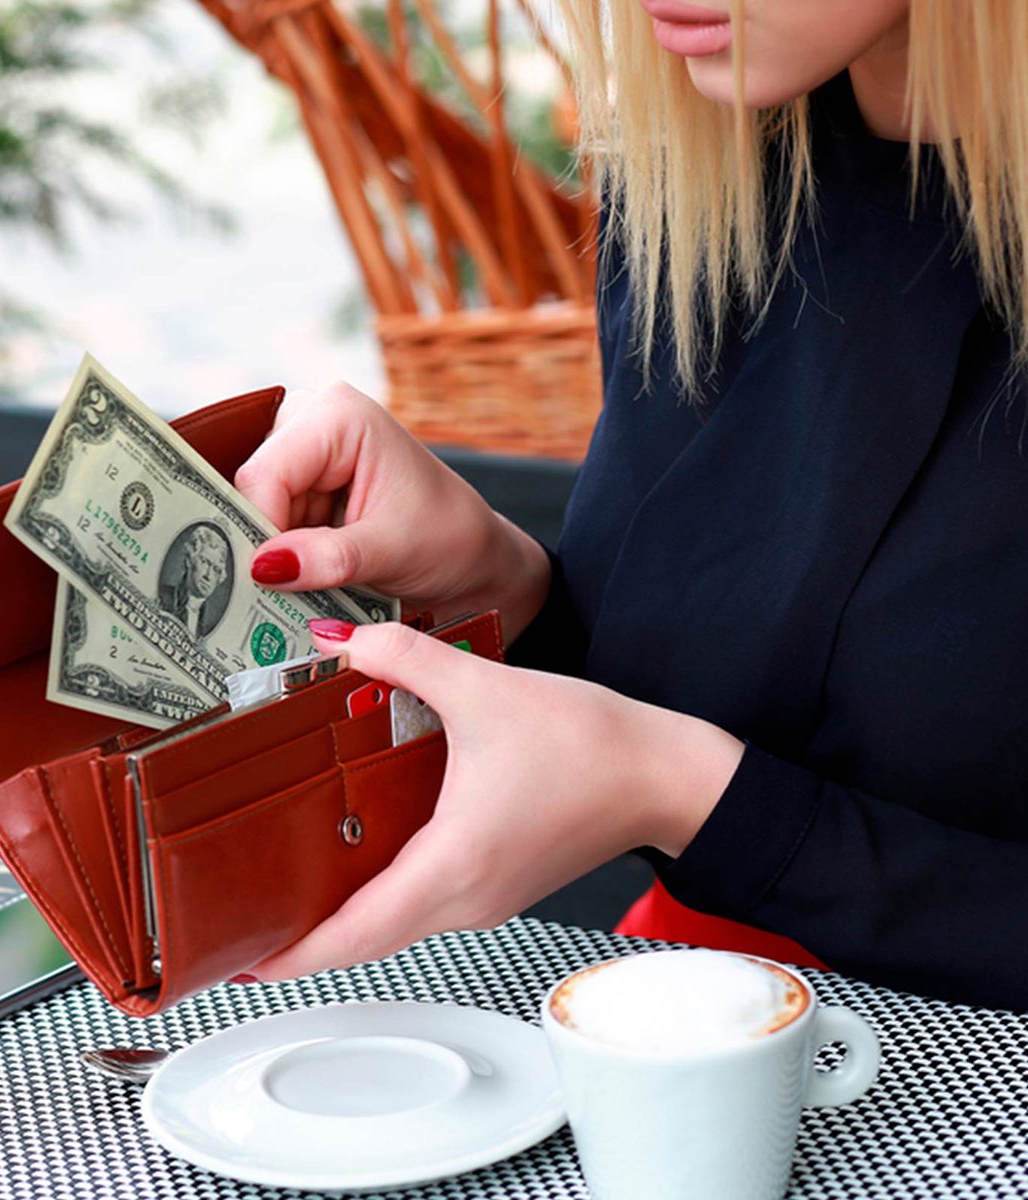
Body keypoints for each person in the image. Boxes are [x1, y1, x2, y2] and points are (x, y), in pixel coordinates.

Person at [233, 1, 1028, 1010]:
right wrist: (496, 584)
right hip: (681, 1031)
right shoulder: (707, 187)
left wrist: (681, 791)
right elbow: (753, 689)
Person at [158, 524, 232, 639]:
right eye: (204, 562)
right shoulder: (162, 598)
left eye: (216, 570)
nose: (208, 575)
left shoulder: (205, 629)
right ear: (189, 560)